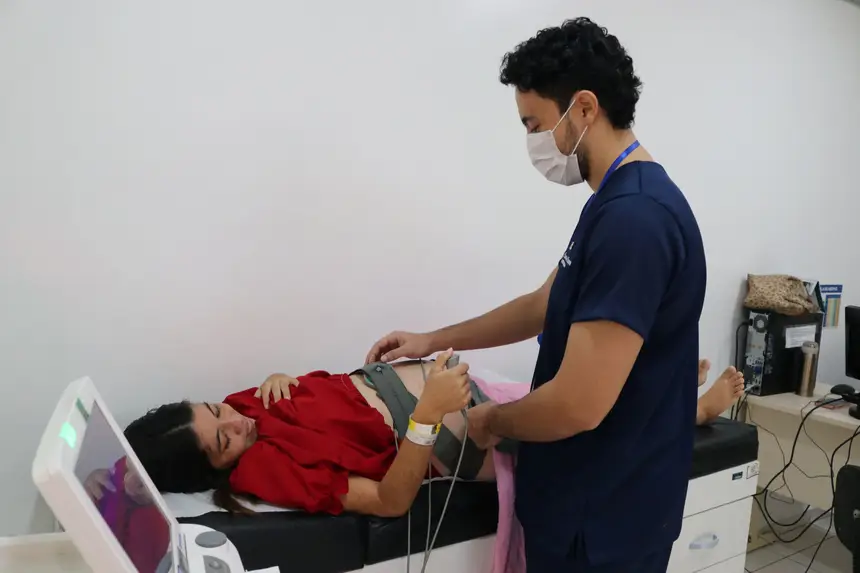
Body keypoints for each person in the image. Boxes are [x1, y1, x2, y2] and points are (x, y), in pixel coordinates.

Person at [365, 18, 707, 572]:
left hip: (603, 522)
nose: (533, 143)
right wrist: (431, 339)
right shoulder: (613, 204)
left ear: (585, 108)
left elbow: (577, 404)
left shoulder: (635, 221)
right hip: (582, 502)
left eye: (535, 124)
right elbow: (543, 304)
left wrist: (493, 421)